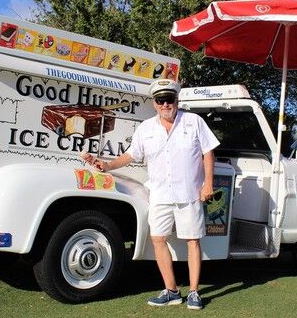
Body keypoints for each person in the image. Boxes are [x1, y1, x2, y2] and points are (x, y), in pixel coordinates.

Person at [85, 79, 219, 310]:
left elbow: (208, 153)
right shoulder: (146, 128)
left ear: (177, 101)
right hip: (159, 194)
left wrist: (208, 184)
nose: (166, 104)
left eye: (170, 100)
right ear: (155, 104)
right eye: (161, 100)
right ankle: (172, 291)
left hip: (189, 194)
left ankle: (195, 292)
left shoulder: (194, 121)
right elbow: (131, 155)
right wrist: (106, 166)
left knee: (193, 241)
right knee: (158, 240)